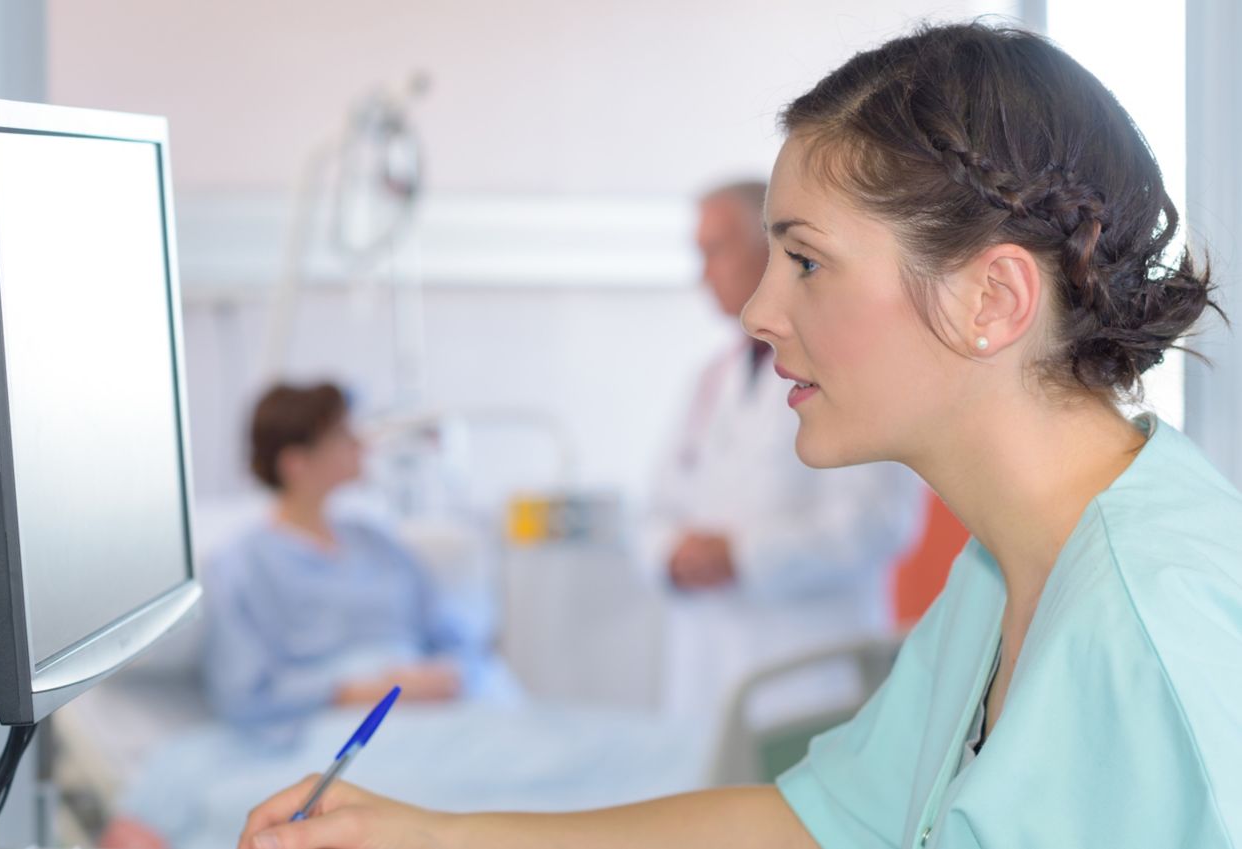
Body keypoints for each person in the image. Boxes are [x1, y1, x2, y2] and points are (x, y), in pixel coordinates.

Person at [236, 22, 1242, 849]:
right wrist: (431, 836)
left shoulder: (1161, 632)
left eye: (805, 262)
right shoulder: (1003, 580)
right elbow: (825, 819)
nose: (761, 311)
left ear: (992, 296)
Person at [645, 181, 926, 715]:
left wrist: (742, 556)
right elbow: (657, 507)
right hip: (709, 674)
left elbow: (879, 520)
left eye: (715, 251)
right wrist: (669, 554)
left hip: (810, 679)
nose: (703, 273)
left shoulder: (855, 368)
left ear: (774, 251)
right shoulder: (708, 381)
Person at [201, 382, 506, 736]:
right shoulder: (241, 566)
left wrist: (448, 674)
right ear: (295, 462)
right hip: (339, 727)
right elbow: (243, 692)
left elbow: (455, 636)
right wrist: (365, 691)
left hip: (438, 708)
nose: (361, 444)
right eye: (342, 435)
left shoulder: (376, 542)